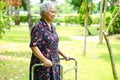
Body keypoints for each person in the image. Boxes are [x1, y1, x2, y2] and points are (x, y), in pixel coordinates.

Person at [29, 1, 70, 80]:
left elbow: (53, 45)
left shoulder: (52, 26)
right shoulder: (38, 27)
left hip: (54, 63)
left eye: (54, 12)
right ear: (44, 12)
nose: (53, 14)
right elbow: (33, 46)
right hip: (43, 66)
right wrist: (44, 60)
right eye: (51, 12)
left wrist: (64, 55)